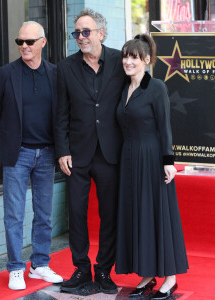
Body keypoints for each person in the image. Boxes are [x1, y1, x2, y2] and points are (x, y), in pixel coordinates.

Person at [0, 21, 63, 290]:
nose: (24, 47)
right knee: (14, 214)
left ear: (43, 42)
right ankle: (16, 267)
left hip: (47, 153)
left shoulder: (56, 73)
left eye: (29, 42)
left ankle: (40, 264)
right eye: (20, 42)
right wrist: (10, 137)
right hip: (17, 154)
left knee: (44, 213)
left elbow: (62, 115)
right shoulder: (6, 73)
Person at [55, 8, 126, 294]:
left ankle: (104, 270)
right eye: (77, 33)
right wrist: (62, 150)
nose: (81, 37)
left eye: (86, 32)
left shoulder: (121, 62)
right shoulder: (65, 67)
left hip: (111, 153)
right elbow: (60, 114)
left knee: (110, 214)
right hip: (77, 154)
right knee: (76, 213)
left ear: (101, 32)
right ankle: (82, 269)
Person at [115, 34, 189, 299]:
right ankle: (147, 273)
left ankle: (170, 278)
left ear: (147, 60)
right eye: (125, 56)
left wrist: (169, 161)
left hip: (151, 158)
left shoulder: (155, 87)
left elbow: (164, 126)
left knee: (157, 215)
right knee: (139, 215)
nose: (127, 61)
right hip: (129, 160)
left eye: (133, 57)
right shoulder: (124, 88)